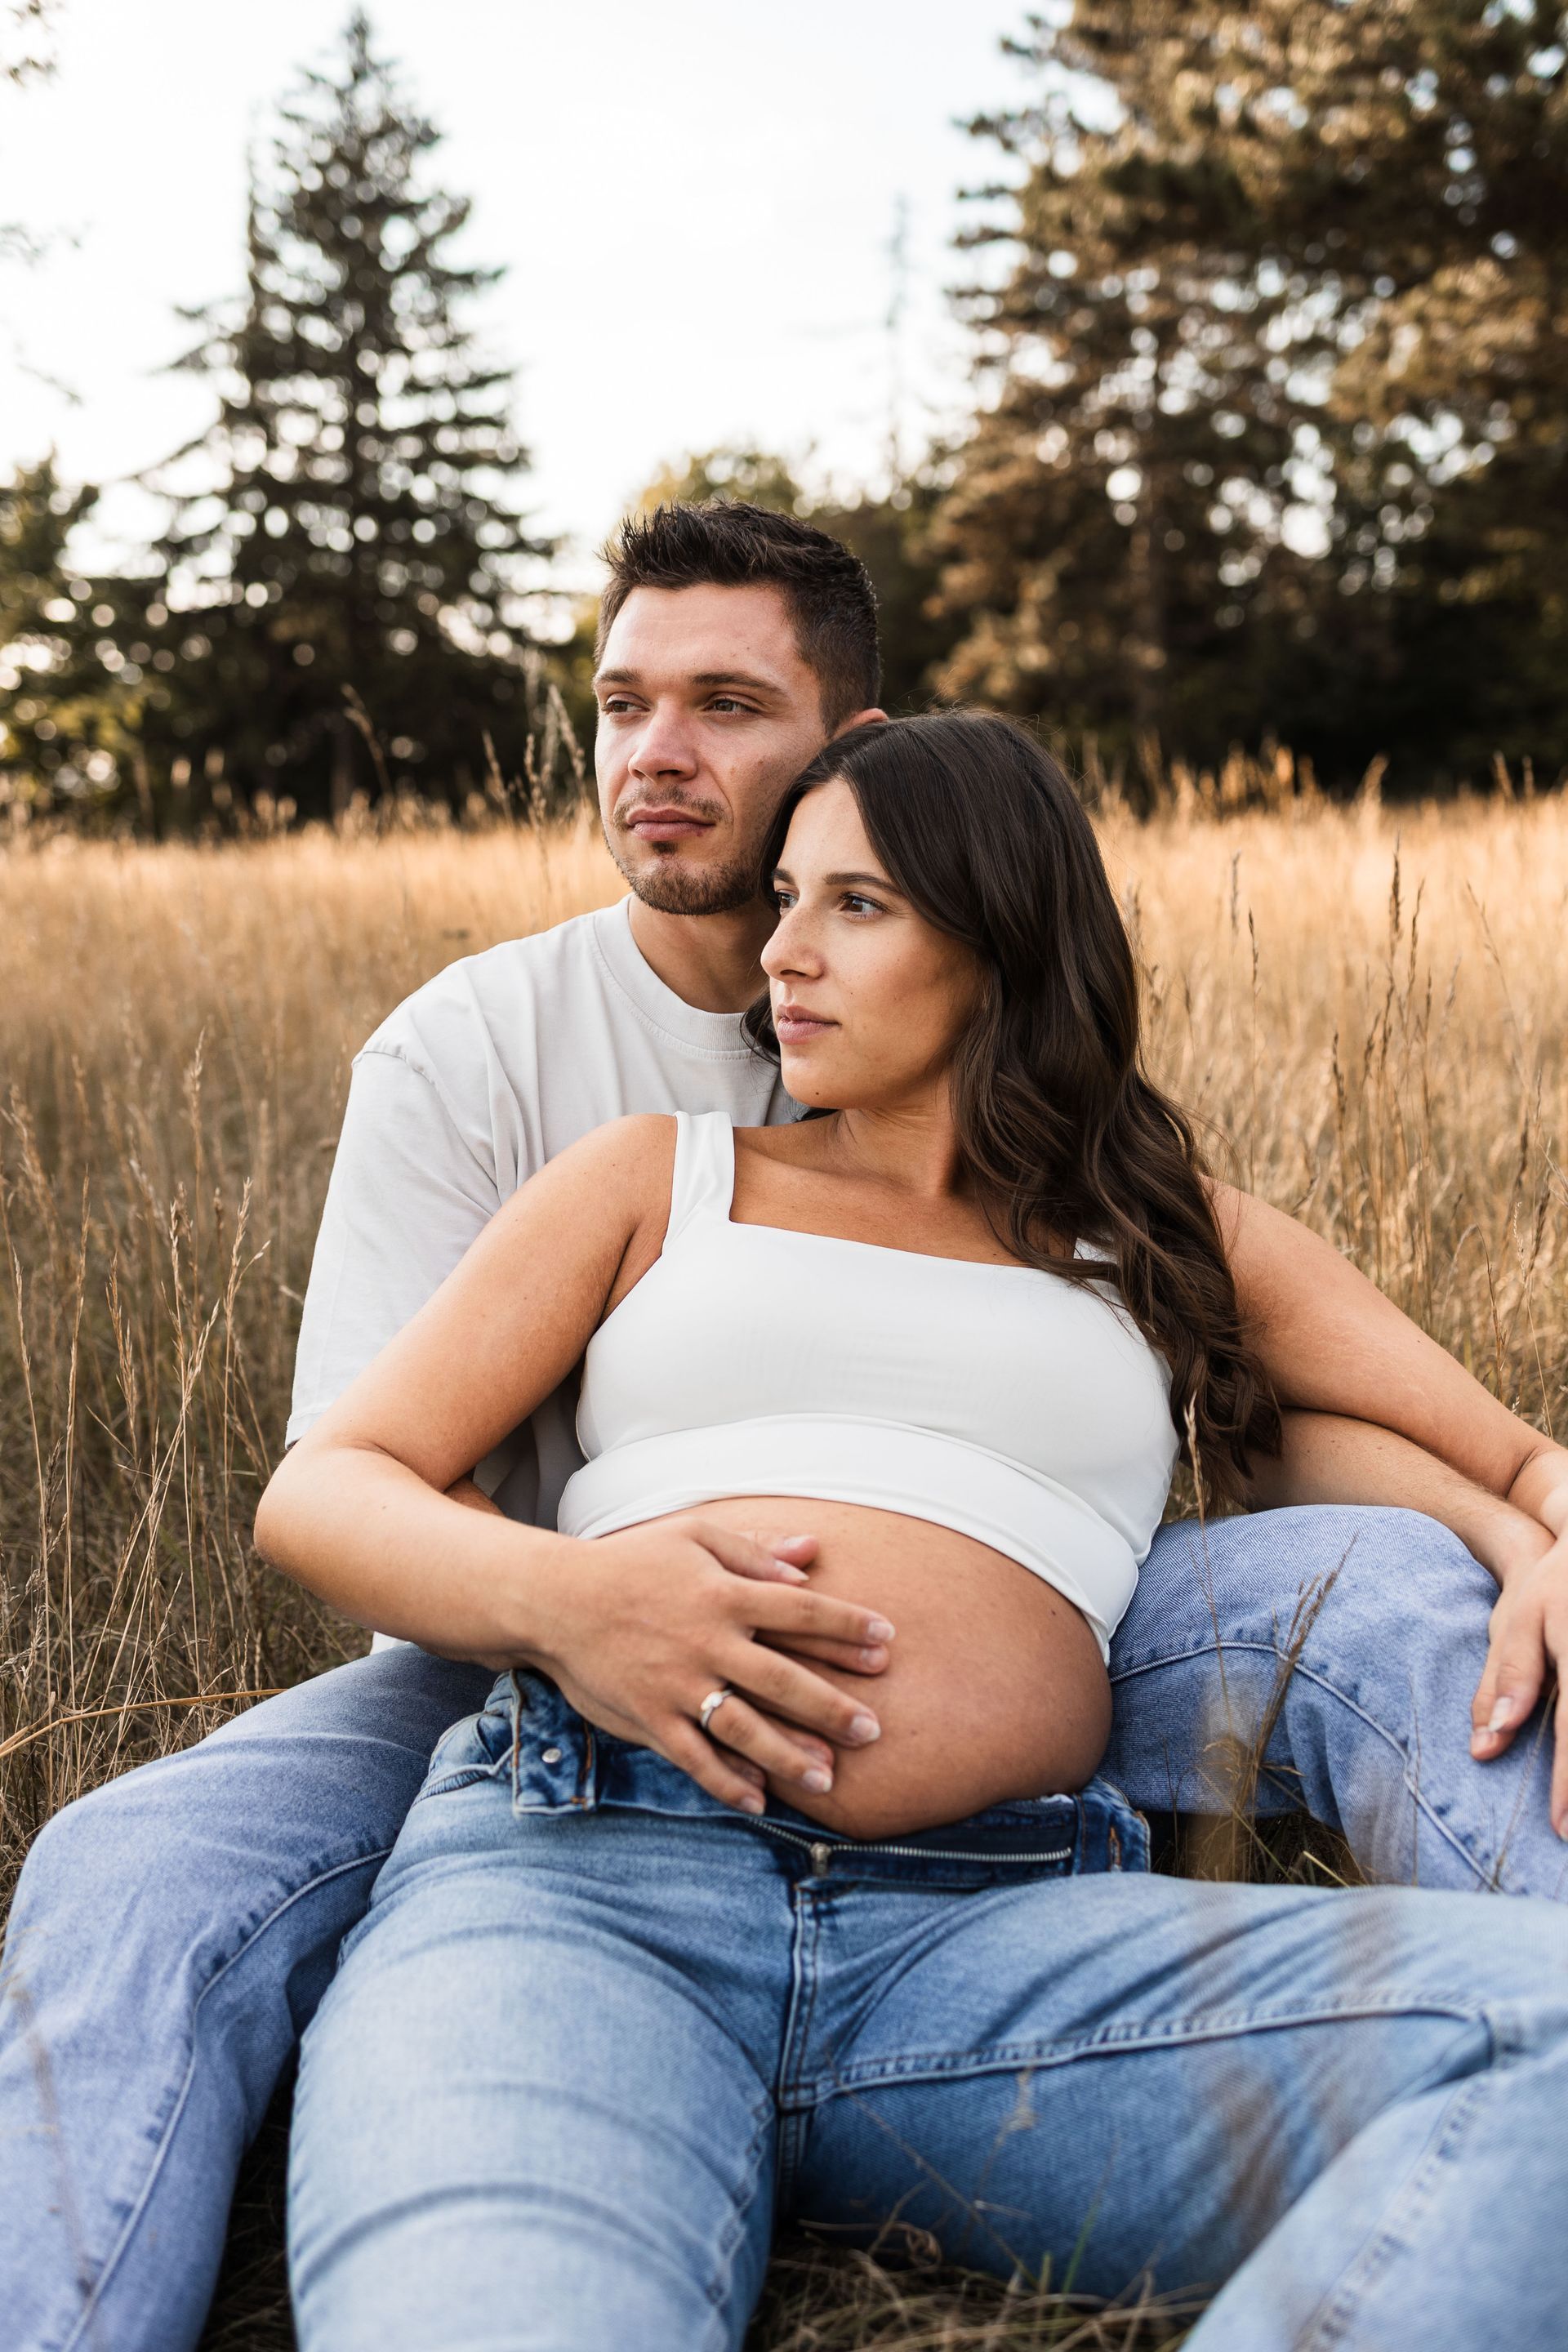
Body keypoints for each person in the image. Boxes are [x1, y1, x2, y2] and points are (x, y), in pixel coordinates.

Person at [0, 503, 1564, 2352]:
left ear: (979, 915)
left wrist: (1536, 1527)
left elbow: (1315, 1441)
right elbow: (331, 1484)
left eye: (854, 897)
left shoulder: (1139, 1219)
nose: (781, 955)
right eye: (620, 704)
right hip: (582, 1840)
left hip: (990, 1918)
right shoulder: (612, 1147)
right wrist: (579, 1607)